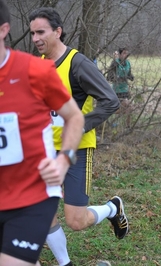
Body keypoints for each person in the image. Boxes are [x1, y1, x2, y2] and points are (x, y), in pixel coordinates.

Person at [29, 7, 128, 266]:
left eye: (41, 32)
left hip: (76, 149)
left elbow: (110, 101)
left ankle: (112, 209)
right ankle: (66, 263)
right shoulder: (37, 64)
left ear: (58, 31)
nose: (36, 38)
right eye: (32, 33)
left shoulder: (78, 63)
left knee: (75, 220)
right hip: (46, 150)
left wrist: (79, 125)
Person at [0, 1, 84, 265]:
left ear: (3, 29)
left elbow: (75, 117)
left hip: (32, 194)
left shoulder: (35, 71)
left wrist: (63, 159)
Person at [106, 47, 135, 127]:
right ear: (119, 54)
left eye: (127, 53)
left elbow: (129, 74)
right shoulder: (115, 63)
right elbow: (109, 77)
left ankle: (127, 126)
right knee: (127, 105)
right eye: (124, 53)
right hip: (117, 90)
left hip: (125, 90)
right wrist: (119, 79)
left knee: (131, 108)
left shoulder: (128, 63)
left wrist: (131, 77)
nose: (126, 55)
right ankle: (109, 114)